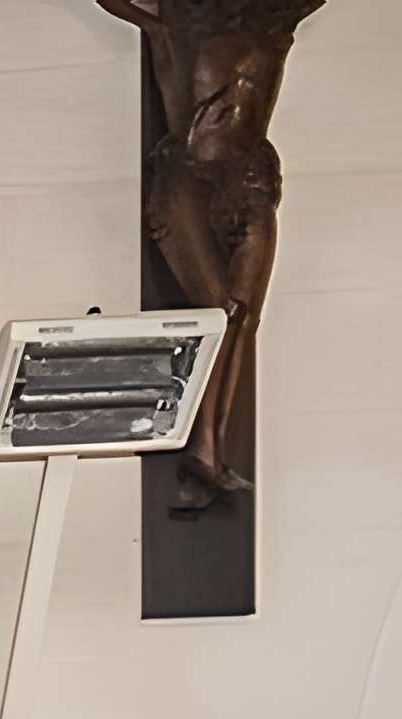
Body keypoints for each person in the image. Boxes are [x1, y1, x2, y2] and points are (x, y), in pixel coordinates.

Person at [95, 0, 328, 503]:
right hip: (189, 179)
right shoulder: (178, 17)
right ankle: (199, 451)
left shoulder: (273, 17)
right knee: (216, 314)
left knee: (244, 318)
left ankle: (213, 452)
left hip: (251, 182)